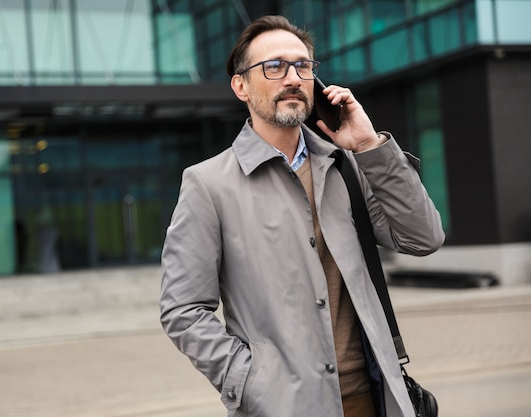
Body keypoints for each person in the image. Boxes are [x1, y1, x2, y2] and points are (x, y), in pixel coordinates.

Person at [160, 15, 445, 417]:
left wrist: (368, 145)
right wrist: (250, 381)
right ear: (241, 85)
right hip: (284, 406)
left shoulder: (348, 165)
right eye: (274, 66)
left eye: (303, 65)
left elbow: (424, 237)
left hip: (375, 398)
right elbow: (182, 309)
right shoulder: (208, 184)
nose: (292, 77)